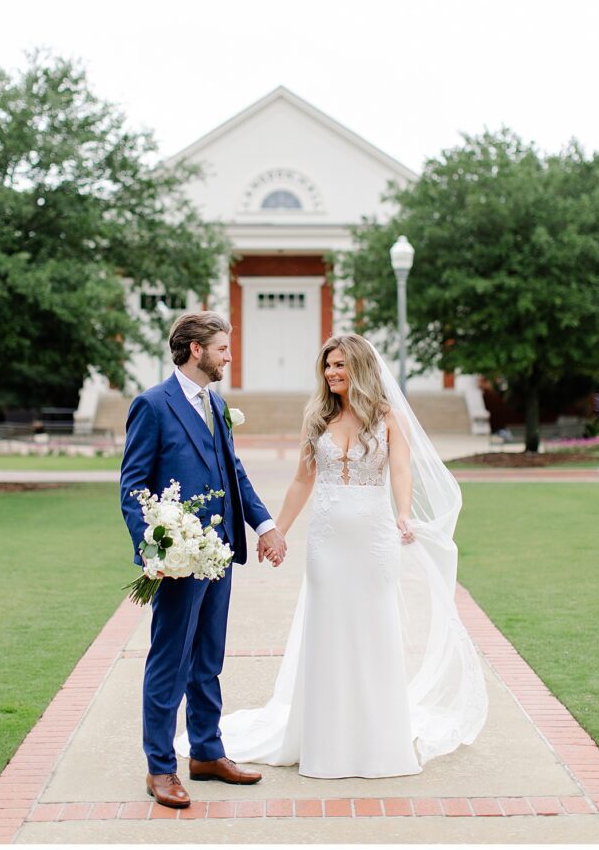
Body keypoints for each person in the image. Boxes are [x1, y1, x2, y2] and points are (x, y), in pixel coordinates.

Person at [196, 332, 488, 778]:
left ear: (361, 368)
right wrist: (277, 531)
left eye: (340, 365)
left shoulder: (388, 416)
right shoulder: (316, 417)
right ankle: (327, 740)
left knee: (374, 631)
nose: (332, 372)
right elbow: (301, 481)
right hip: (327, 543)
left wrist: (405, 515)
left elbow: (401, 468)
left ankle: (377, 739)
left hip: (373, 540)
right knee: (328, 631)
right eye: (328, 366)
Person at [120, 311, 287, 808]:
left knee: (208, 659)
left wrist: (266, 524)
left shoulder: (216, 402)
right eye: (222, 349)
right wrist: (154, 549)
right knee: (170, 660)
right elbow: (133, 487)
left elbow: (232, 471)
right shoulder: (152, 405)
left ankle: (207, 753)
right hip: (178, 559)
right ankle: (160, 767)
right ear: (196, 350)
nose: (228, 357)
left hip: (220, 556)